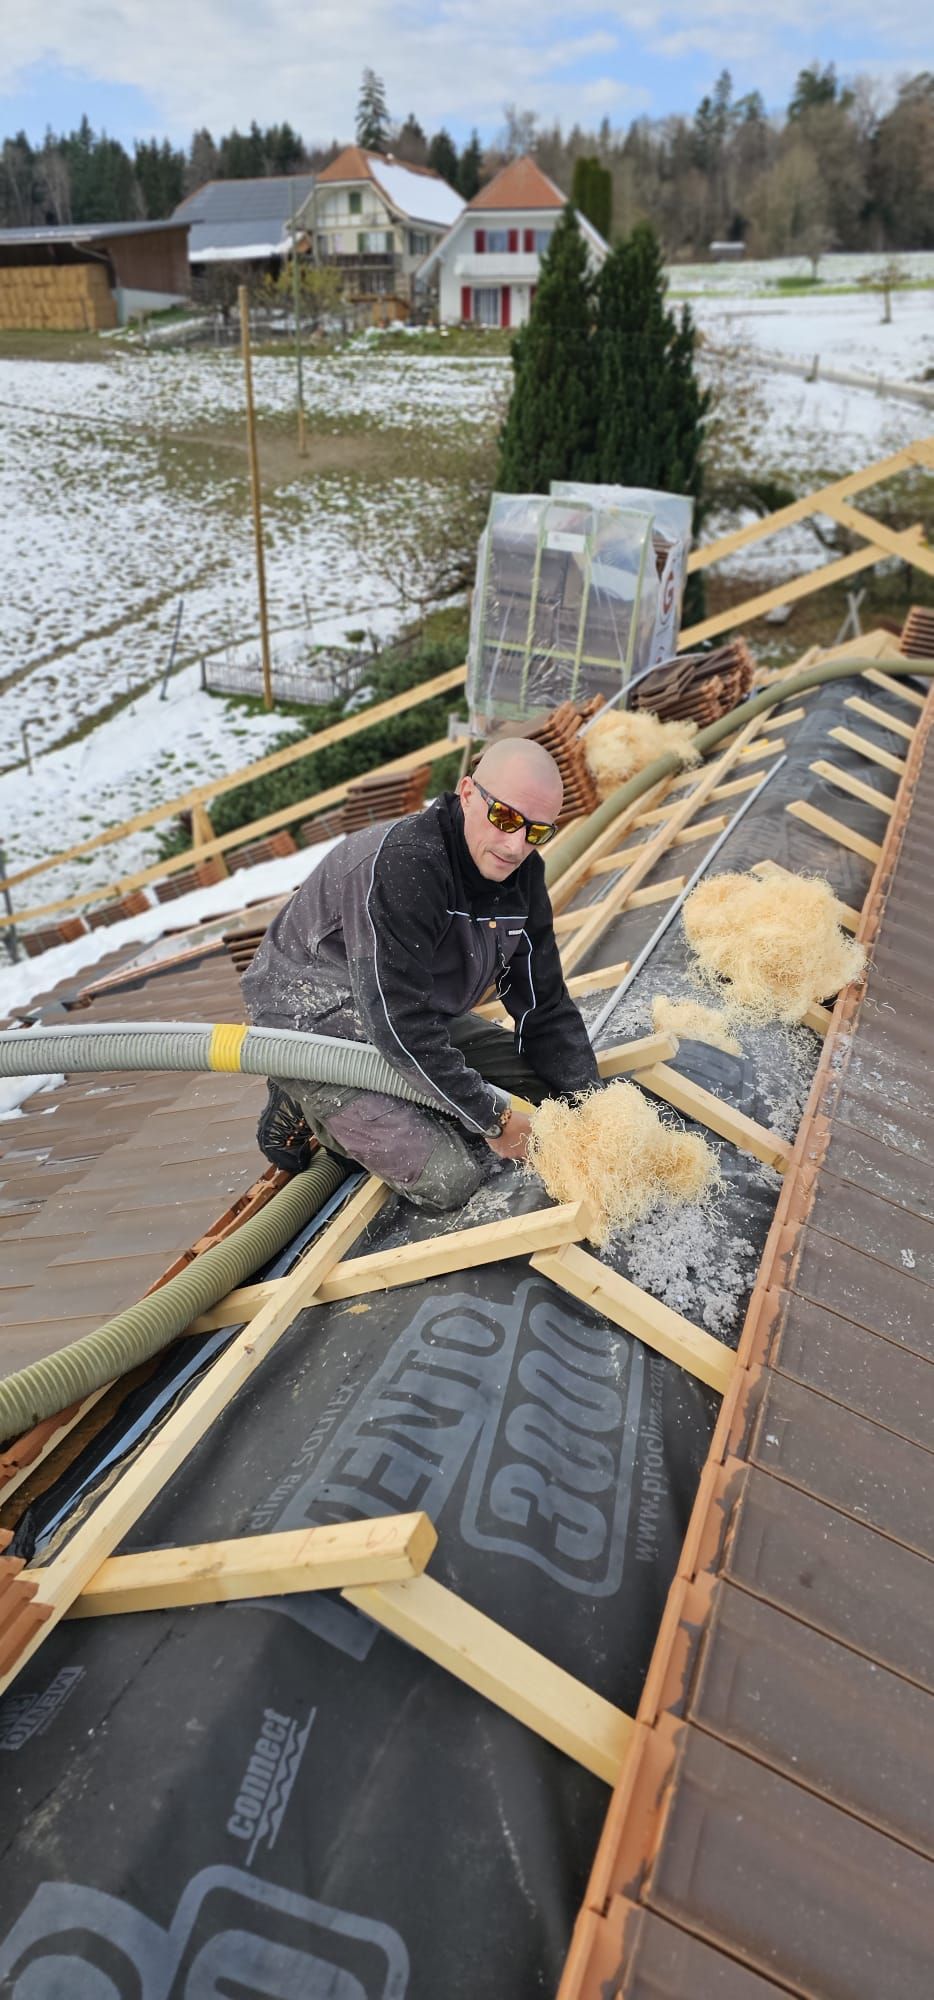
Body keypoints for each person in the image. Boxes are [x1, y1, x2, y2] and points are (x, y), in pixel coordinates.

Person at [242, 736, 601, 1210]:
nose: (516, 845)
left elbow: (544, 1004)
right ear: (468, 793)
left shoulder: (522, 874)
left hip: (400, 1004)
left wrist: (593, 1107)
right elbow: (397, 1022)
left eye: (536, 832)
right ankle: (308, 1102)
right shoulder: (408, 865)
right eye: (505, 818)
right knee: (451, 1178)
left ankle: (403, 1094)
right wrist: (492, 1119)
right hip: (315, 1021)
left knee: (547, 1096)